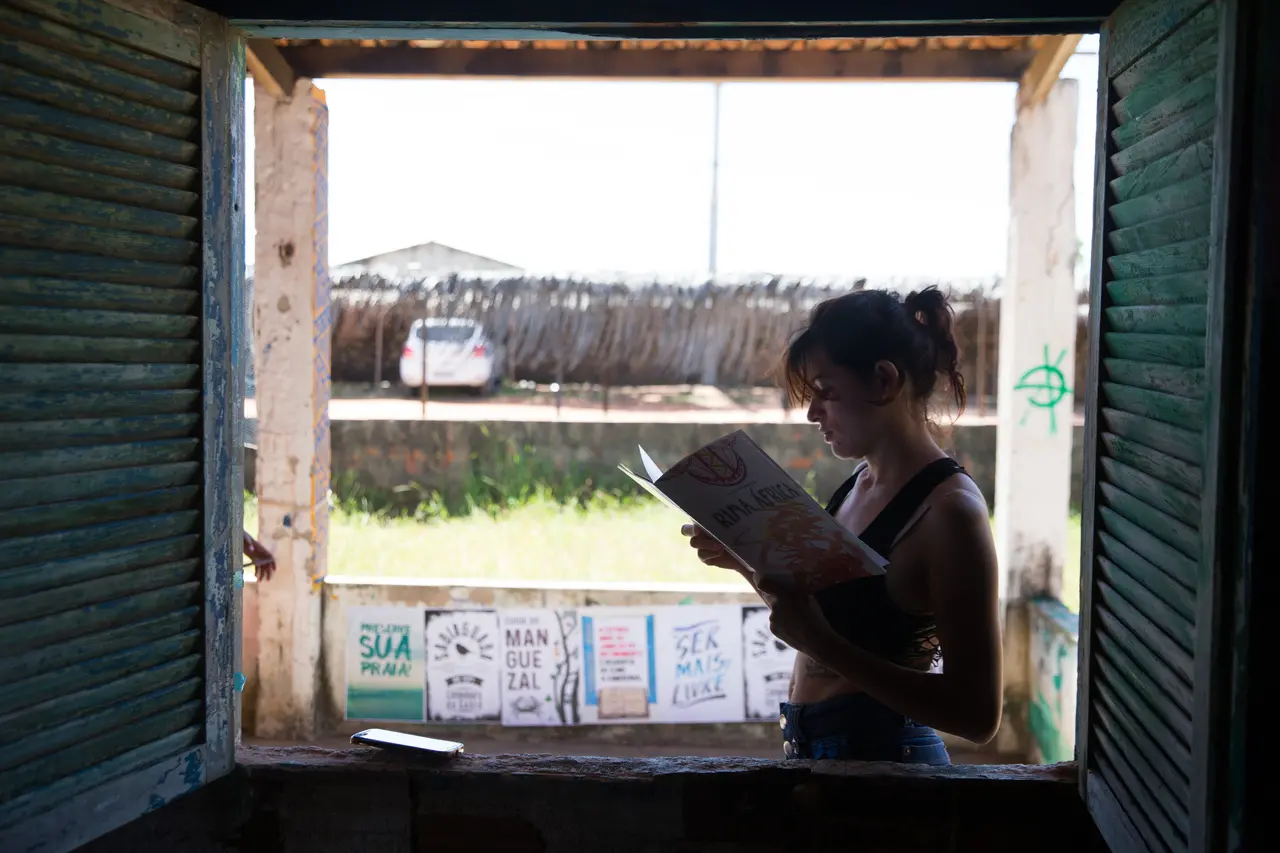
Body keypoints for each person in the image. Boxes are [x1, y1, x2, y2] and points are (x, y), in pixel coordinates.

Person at [683, 286, 1001, 764]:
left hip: (891, 769)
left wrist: (820, 644)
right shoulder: (857, 485)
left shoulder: (950, 513)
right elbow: (826, 617)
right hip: (818, 756)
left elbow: (977, 715)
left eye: (826, 391)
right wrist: (745, 559)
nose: (813, 413)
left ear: (883, 380)